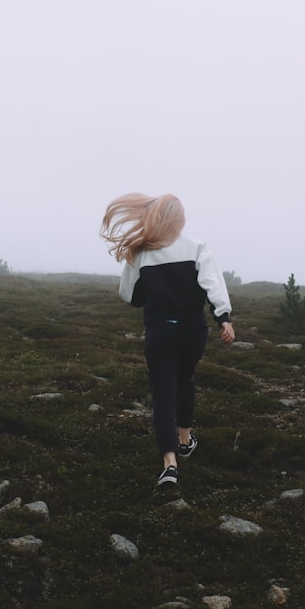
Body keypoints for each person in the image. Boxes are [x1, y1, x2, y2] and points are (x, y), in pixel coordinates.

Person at [100, 193, 235, 487]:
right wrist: (224, 318)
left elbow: (128, 296)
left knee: (163, 392)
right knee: (185, 379)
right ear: (179, 218)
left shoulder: (141, 253)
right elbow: (213, 285)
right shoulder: (198, 247)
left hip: (159, 332)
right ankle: (185, 441)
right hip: (191, 332)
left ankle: (169, 464)